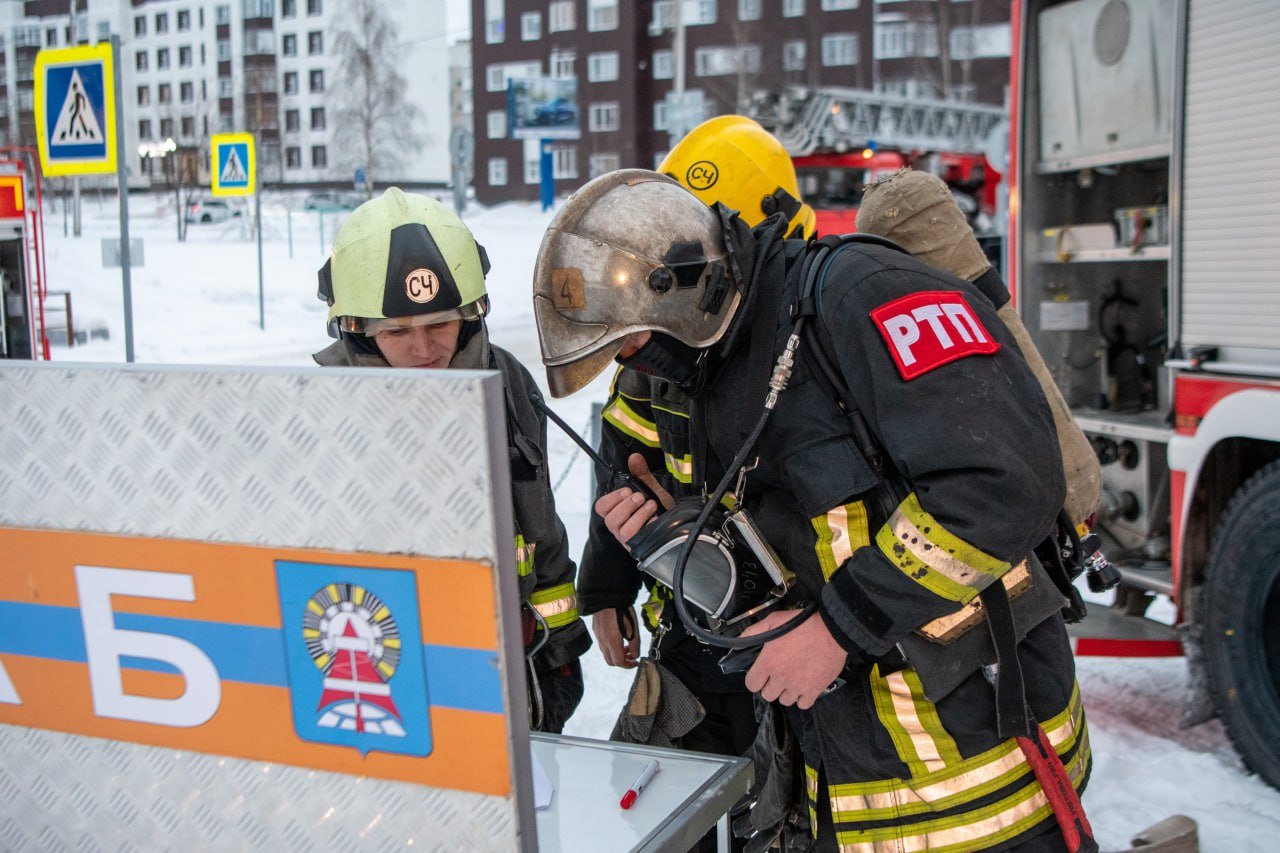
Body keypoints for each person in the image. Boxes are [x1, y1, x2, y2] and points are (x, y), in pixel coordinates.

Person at [533, 170, 1091, 851]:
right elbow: (807, 547)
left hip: (989, 784)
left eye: (629, 343)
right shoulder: (719, 367)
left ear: (680, 287)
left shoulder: (859, 296)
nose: (633, 364)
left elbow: (1003, 483)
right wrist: (679, 539)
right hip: (856, 795)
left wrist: (838, 629)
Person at [578, 117, 817, 773]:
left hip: (800, 637)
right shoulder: (655, 353)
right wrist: (606, 585)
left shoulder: (815, 344)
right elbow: (619, 466)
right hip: (690, 621)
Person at [315, 187, 590, 733]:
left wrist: (559, 650)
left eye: (440, 324)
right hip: (381, 684)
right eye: (396, 331)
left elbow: (541, 525)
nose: (424, 349)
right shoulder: (326, 410)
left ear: (469, 315)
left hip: (509, 673)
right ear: (356, 332)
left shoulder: (506, 382)